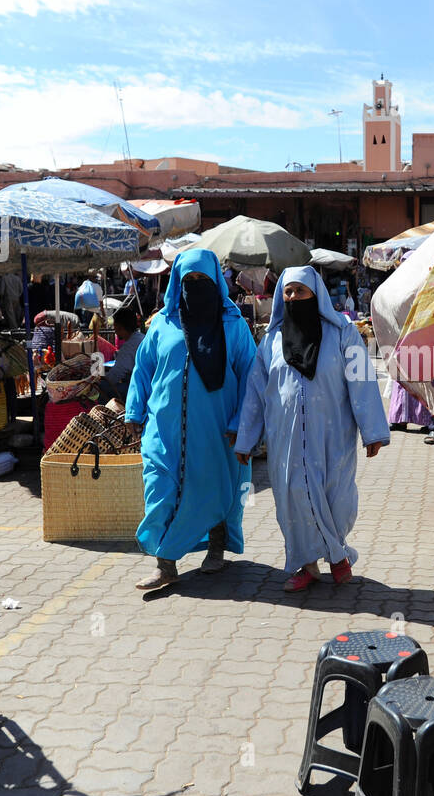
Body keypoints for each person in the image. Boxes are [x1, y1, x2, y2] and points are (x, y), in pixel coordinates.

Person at [235, 266, 389, 592]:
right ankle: (310, 564)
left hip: (333, 435)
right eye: (288, 292)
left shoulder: (342, 334)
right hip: (285, 439)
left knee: (337, 496)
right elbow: (255, 394)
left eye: (300, 292)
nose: (293, 297)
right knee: (292, 499)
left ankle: (335, 551)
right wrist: (246, 439)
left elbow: (362, 379)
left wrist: (372, 430)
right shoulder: (271, 342)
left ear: (315, 295)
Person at [125, 249, 256, 588]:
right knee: (159, 489)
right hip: (163, 429)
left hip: (214, 429)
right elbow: (142, 371)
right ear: (178, 283)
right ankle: (164, 564)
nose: (196, 286)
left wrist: (240, 423)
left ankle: (216, 547)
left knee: (210, 487)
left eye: (203, 280)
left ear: (216, 283)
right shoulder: (162, 324)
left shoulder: (234, 326)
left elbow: (251, 378)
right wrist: (134, 411)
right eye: (189, 280)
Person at [100, 308, 143, 404]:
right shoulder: (140, 337)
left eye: (115, 326)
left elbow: (116, 373)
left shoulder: (129, 346)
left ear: (120, 327)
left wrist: (98, 382)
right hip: (142, 384)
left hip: (139, 389)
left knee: (102, 388)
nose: (114, 330)